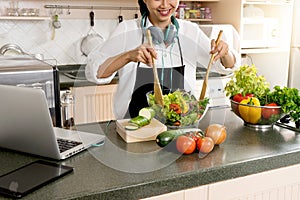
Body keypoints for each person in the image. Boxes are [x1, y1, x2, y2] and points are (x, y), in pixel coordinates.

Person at [85, 0, 240, 119]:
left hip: (181, 127)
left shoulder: (191, 31)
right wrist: (128, 56)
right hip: (134, 128)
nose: (165, 4)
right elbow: (94, 71)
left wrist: (225, 53)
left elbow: (226, 66)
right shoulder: (126, 30)